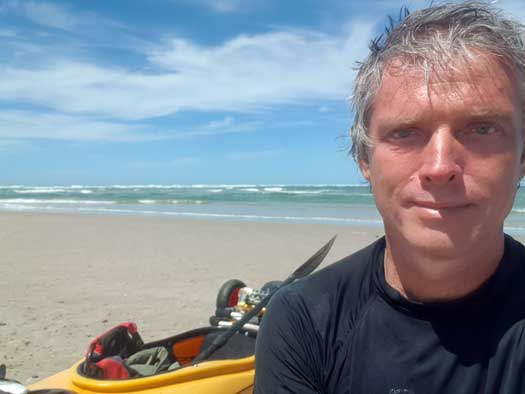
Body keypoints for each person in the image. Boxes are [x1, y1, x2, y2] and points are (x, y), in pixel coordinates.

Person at [254, 1, 525, 393]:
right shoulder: (304, 320)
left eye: (482, 128)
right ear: (364, 158)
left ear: (521, 158)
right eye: (405, 132)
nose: (439, 165)